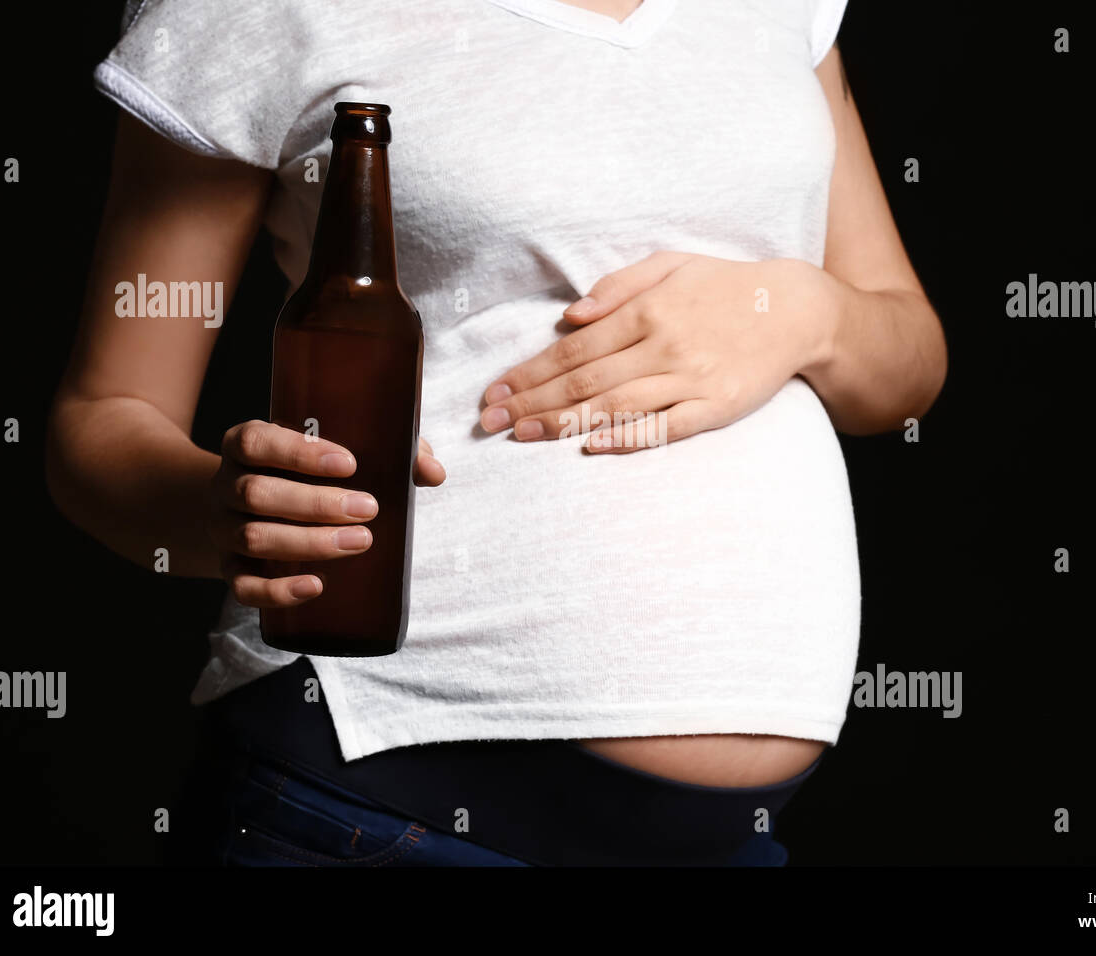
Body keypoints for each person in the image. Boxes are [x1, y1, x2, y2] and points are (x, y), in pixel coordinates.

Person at [47, 0, 947, 866]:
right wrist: (227, 513)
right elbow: (102, 418)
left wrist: (806, 313)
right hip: (375, 803)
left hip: (729, 837)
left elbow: (906, 362)